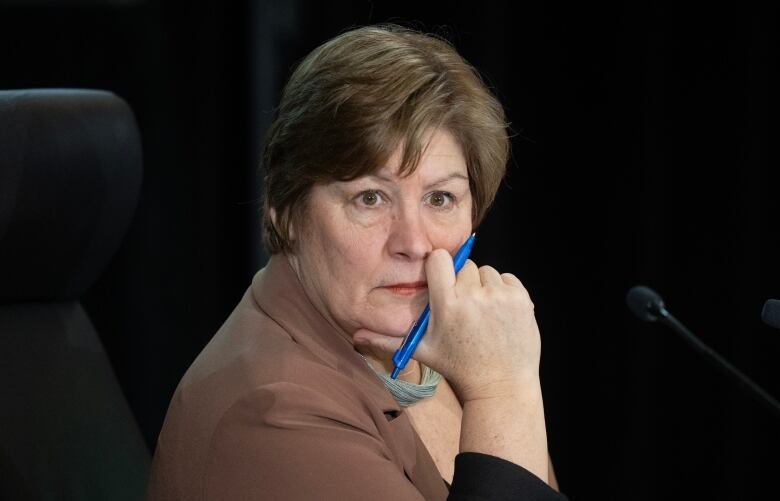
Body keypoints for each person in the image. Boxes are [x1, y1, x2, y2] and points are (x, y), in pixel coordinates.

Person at [147, 24, 567, 500]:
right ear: (285, 211)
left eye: (440, 197)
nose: (414, 242)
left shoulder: (453, 345)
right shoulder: (271, 412)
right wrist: (503, 392)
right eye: (370, 198)